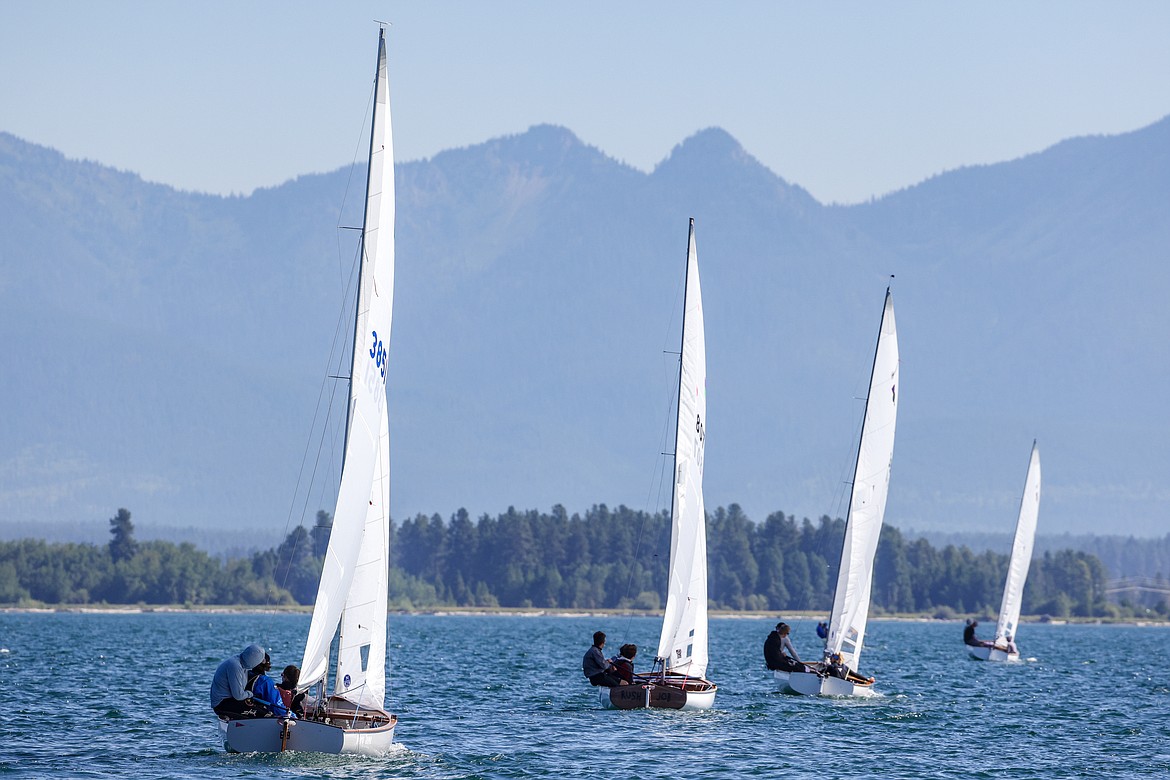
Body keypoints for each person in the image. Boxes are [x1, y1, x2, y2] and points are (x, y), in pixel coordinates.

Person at [210, 643, 266, 719]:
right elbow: (238, 695)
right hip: (221, 704)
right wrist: (250, 694)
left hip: (231, 700)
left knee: (262, 708)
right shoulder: (235, 666)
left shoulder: (243, 664)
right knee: (261, 714)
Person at [247, 652, 293, 718]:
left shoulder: (245, 675)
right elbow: (277, 706)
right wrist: (292, 716)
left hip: (241, 712)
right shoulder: (265, 681)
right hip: (257, 718)